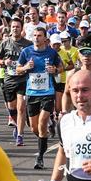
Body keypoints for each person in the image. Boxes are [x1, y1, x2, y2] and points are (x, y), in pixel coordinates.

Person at [16, 26, 61, 170]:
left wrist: (54, 70)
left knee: (42, 123)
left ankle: (40, 158)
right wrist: (25, 68)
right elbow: (17, 69)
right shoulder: (26, 52)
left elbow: (62, 67)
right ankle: (46, 133)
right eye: (34, 35)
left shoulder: (51, 52)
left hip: (47, 92)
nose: (36, 38)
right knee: (35, 128)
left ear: (45, 38)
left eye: (39, 35)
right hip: (32, 93)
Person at [0, 18, 32, 145]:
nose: (15, 29)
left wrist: (27, 65)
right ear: (10, 28)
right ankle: (16, 125)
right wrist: (4, 62)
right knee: (12, 108)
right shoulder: (5, 43)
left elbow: (33, 58)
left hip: (23, 78)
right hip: (9, 79)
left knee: (21, 108)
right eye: (13, 27)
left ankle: (20, 135)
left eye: (17, 27)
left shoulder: (28, 44)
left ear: (22, 29)